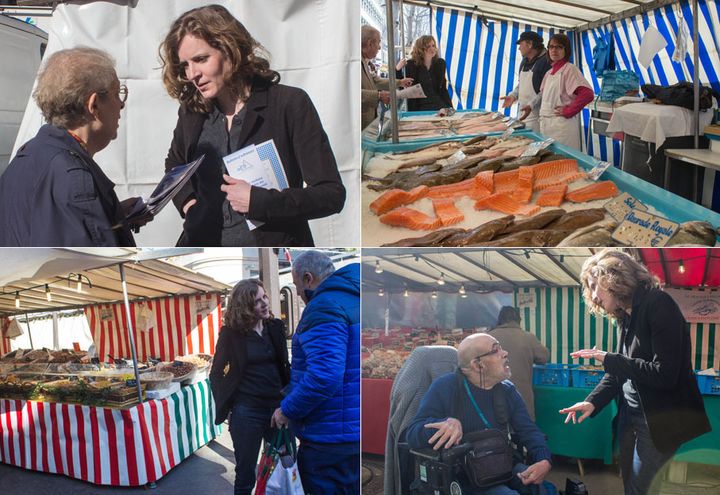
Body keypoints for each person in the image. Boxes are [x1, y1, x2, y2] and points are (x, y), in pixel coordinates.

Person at [159, 5, 346, 247]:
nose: (192, 73)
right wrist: (189, 204)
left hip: (271, 247)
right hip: (202, 245)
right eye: (185, 65)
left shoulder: (288, 104)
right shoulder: (192, 112)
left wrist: (258, 202)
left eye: (201, 59)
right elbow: (175, 165)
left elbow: (331, 194)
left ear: (230, 49)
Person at [560, 249, 711, 495]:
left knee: (641, 489)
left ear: (614, 279)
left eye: (594, 286)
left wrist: (610, 359)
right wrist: (592, 402)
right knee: (630, 484)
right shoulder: (626, 316)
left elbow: (665, 374)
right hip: (630, 416)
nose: (594, 296)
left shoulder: (658, 304)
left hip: (659, 421)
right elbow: (620, 372)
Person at [0, 47, 139, 247]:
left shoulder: (30, 154)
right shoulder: (71, 175)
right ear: (94, 104)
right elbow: (83, 269)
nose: (121, 105)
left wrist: (112, 215)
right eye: (117, 93)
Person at [405, 333, 552, 495]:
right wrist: (443, 425)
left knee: (542, 489)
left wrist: (543, 460)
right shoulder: (446, 387)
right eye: (495, 350)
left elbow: (529, 431)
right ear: (477, 364)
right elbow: (412, 435)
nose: (505, 353)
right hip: (462, 476)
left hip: (502, 465)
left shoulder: (506, 390)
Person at [271, 251, 360, 494]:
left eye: (298, 286)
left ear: (308, 278)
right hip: (352, 433)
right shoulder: (356, 297)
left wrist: (287, 409)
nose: (298, 294)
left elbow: (325, 376)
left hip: (328, 438)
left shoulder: (323, 306)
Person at [209, 279, 290, 495]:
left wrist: (289, 401)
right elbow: (216, 373)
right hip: (247, 412)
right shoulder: (231, 333)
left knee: (282, 468)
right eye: (257, 301)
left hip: (278, 409)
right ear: (244, 306)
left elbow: (284, 365)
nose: (265, 303)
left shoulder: (275, 327)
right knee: (245, 474)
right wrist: (228, 405)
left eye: (265, 297)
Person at [520, 33, 594, 150]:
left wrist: (569, 110)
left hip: (562, 128)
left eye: (559, 47)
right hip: (547, 127)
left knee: (565, 163)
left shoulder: (570, 69)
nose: (554, 50)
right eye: (551, 47)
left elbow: (587, 94)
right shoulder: (549, 73)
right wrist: (530, 105)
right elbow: (542, 94)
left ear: (566, 50)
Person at [489, 307, 549, 420]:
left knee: (496, 431)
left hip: (493, 396)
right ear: (518, 320)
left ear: (499, 320)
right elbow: (544, 357)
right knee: (522, 431)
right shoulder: (528, 337)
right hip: (522, 396)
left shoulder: (489, 337)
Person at [361, 25, 413, 129]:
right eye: (378, 42)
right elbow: (351, 92)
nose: (380, 47)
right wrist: (379, 96)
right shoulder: (355, 62)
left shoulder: (365, 62)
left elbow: (377, 81)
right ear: (370, 43)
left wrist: (400, 82)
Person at [500, 32, 551, 133]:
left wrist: (531, 105)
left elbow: (546, 91)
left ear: (529, 44)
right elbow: (521, 84)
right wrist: (513, 96)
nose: (519, 48)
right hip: (523, 113)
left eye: (521, 45)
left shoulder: (546, 62)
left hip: (538, 117)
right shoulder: (524, 61)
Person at [397, 35, 453, 112]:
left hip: (439, 105)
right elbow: (402, 87)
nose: (432, 48)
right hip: (419, 108)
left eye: (433, 45)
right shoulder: (411, 65)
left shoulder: (440, 63)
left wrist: (450, 107)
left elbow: (443, 88)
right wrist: (397, 70)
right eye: (428, 46)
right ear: (421, 49)